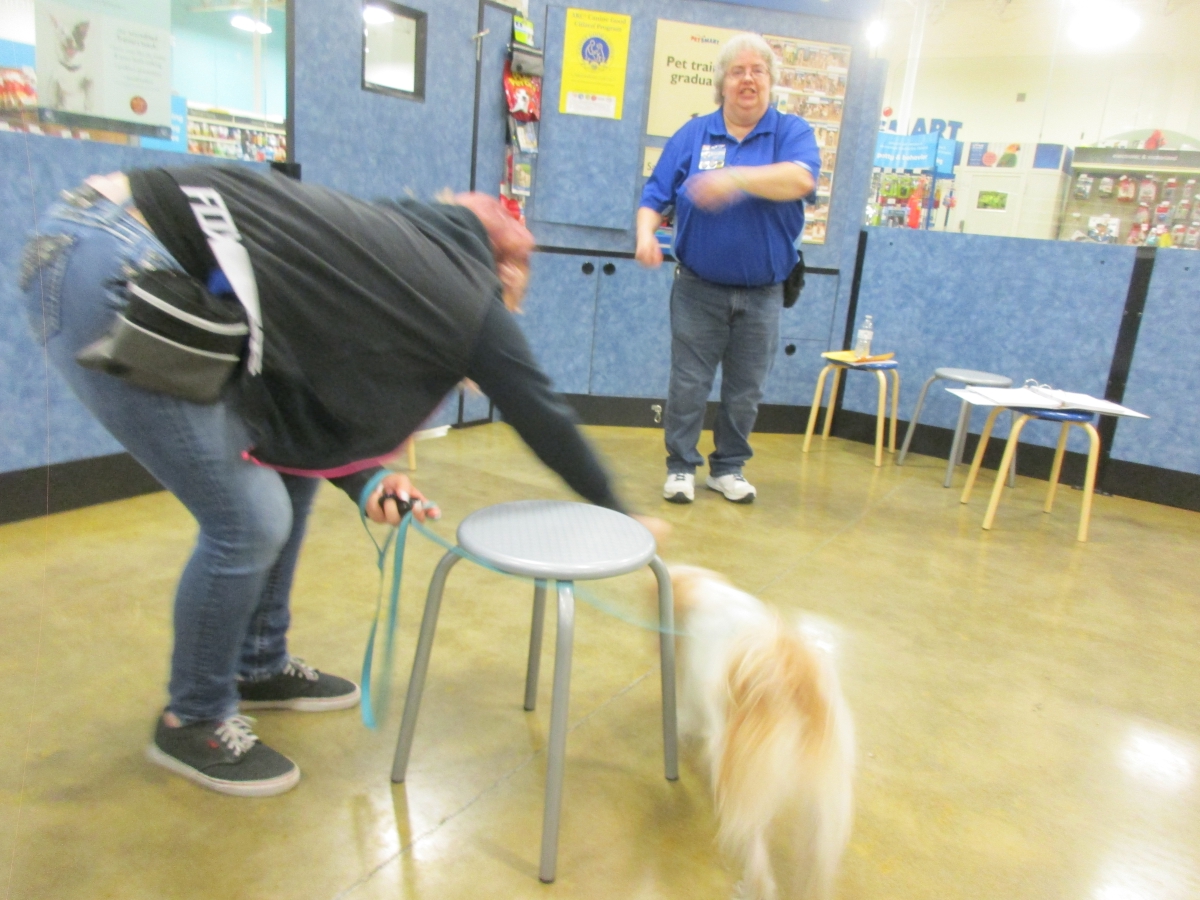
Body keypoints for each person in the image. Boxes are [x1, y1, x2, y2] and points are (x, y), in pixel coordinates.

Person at [18, 165, 653, 797]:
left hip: (101, 232)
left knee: (284, 469)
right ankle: (193, 718)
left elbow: (307, 375)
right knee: (249, 520)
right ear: (505, 271)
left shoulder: (395, 239)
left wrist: (366, 478)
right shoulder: (468, 299)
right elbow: (541, 412)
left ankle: (258, 663)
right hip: (113, 256)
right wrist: (619, 510)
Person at [635, 33, 821, 505]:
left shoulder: (790, 132)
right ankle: (680, 467)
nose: (748, 79)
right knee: (688, 383)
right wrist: (645, 236)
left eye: (758, 70)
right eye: (737, 71)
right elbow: (654, 196)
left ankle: (729, 468)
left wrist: (732, 179)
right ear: (721, 83)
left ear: (770, 82)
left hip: (764, 292)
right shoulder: (692, 135)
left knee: (746, 390)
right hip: (697, 288)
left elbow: (800, 179)